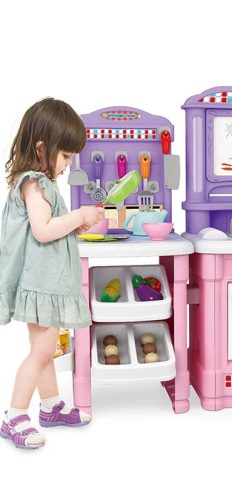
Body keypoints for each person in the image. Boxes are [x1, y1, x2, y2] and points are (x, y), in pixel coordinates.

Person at [0, 98, 104, 449]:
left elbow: (48, 227)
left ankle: (51, 406)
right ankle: (13, 416)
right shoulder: (34, 183)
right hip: (41, 282)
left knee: (45, 348)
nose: (68, 164)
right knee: (43, 351)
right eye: (66, 156)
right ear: (42, 148)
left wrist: (75, 224)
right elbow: (43, 231)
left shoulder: (43, 183)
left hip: (46, 283)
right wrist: (79, 216)